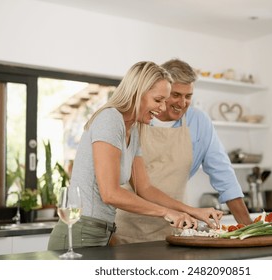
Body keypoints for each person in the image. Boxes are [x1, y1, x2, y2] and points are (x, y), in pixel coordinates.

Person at [47, 61, 223, 250]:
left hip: (100, 234)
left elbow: (144, 187)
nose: (163, 108)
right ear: (137, 93)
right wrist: (167, 213)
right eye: (158, 100)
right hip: (79, 233)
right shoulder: (110, 119)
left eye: (165, 100)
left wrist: (193, 211)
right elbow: (110, 193)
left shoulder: (133, 129)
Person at [113, 59, 252, 244]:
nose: (183, 103)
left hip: (175, 229)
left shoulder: (199, 122)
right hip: (127, 228)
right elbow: (132, 186)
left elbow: (224, 175)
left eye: (188, 96)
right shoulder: (136, 120)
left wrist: (249, 228)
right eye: (176, 95)